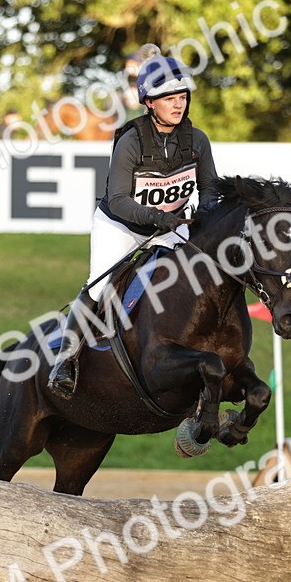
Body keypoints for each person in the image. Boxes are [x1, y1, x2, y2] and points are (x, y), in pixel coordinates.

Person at [47, 45, 219, 399]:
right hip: (122, 227)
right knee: (98, 287)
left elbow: (210, 189)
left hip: (172, 227)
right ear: (149, 102)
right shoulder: (130, 140)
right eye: (167, 97)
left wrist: (202, 219)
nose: (177, 104)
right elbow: (119, 200)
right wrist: (160, 218)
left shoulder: (197, 140)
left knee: (206, 274)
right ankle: (65, 361)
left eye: (182, 96)